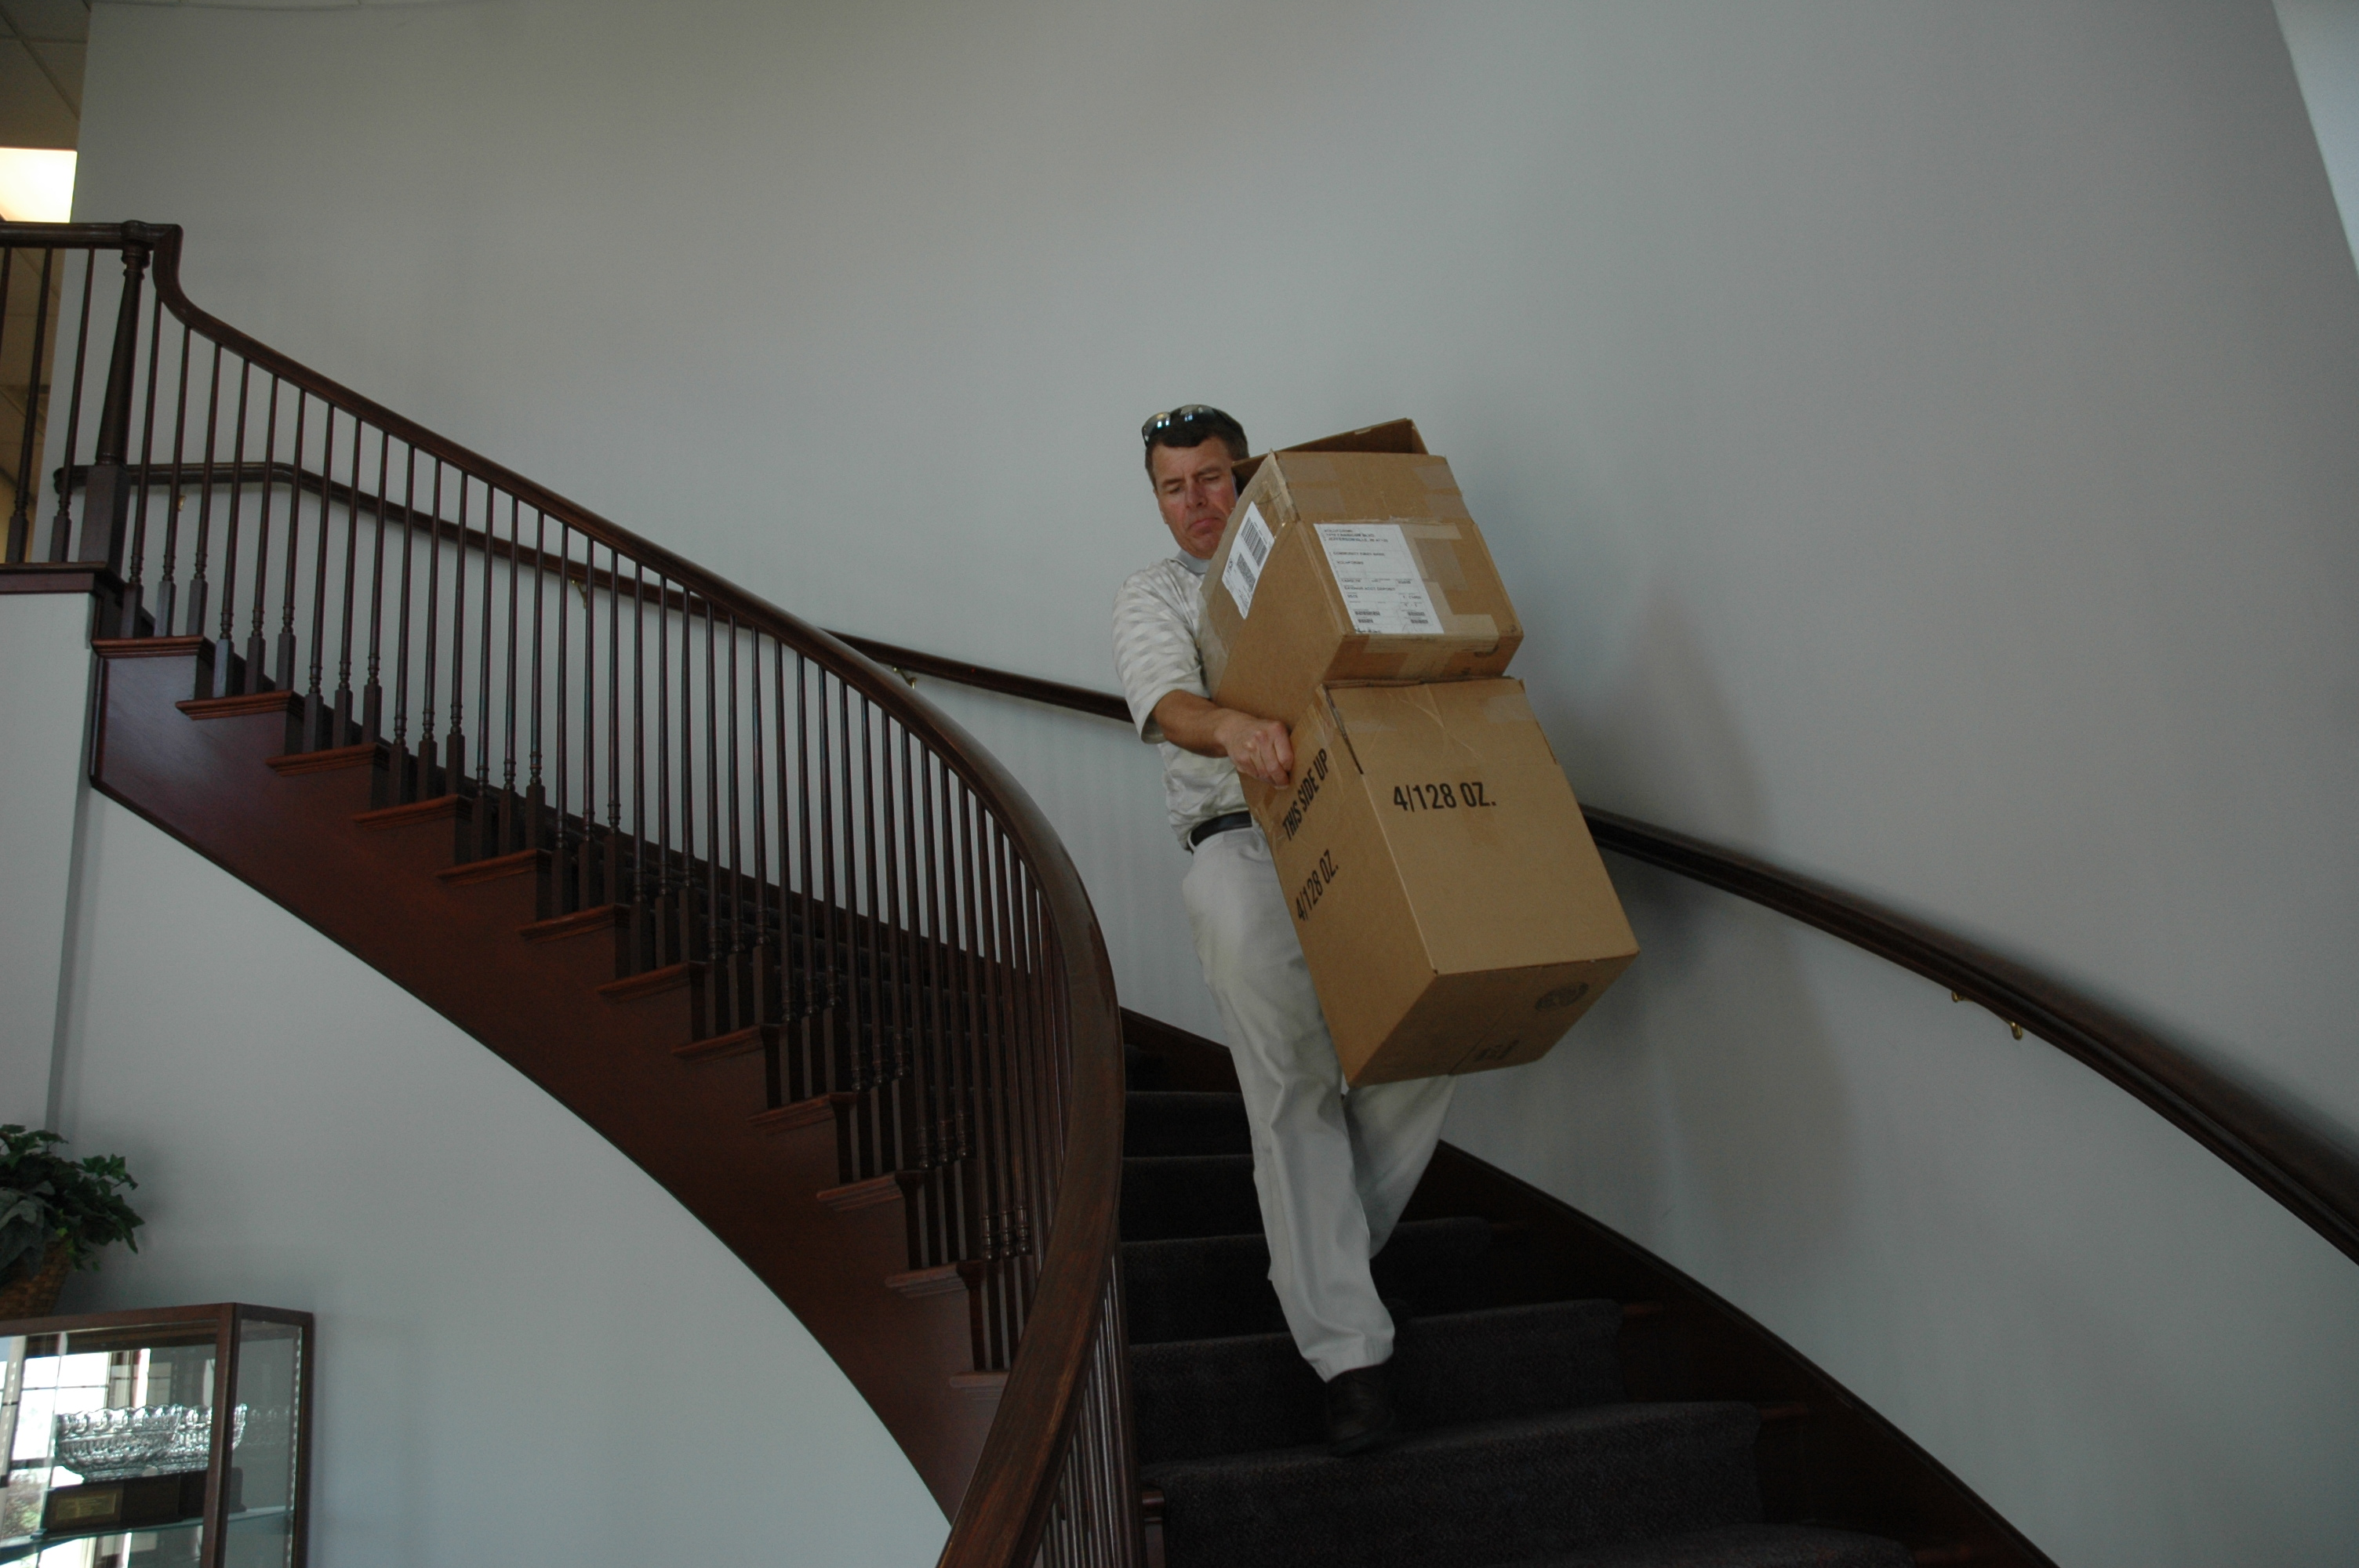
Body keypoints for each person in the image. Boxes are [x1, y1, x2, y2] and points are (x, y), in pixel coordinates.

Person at [1110, 405, 1456, 1456]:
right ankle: (1351, 1357)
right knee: (1292, 1078)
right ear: (1157, 499)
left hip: (1359, 825)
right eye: (1173, 487)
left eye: (1212, 477)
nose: (1196, 502)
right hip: (1238, 850)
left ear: (1246, 474)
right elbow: (1166, 703)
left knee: (1432, 1031)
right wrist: (1233, 726)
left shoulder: (1300, 562)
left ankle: (1321, 1260)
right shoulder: (1155, 593)